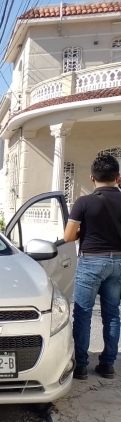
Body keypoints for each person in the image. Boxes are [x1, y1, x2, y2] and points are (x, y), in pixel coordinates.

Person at [64, 154, 121, 379]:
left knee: (83, 313)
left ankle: (80, 366)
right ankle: (107, 365)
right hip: (118, 262)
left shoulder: (84, 202)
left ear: (91, 178)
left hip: (91, 261)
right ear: (118, 177)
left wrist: (84, 231)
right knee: (112, 314)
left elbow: (68, 237)